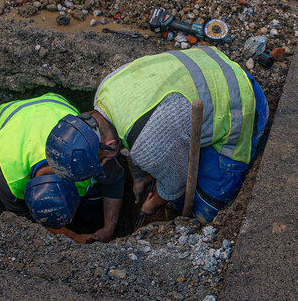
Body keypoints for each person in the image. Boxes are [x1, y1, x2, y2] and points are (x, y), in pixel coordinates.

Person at [45, 47, 269, 224]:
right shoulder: (105, 91)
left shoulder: (148, 145)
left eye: (102, 161)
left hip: (242, 102)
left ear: (109, 145)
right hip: (211, 67)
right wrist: (140, 177)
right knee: (174, 168)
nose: (105, 164)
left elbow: (177, 184)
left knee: (206, 209)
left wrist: (152, 205)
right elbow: (132, 135)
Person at [0, 92, 123, 243]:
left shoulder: (84, 153)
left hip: (54, 104)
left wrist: (108, 228)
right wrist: (74, 237)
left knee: (93, 196)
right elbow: (25, 221)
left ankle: (92, 218)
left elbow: (114, 181)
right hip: (13, 112)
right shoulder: (6, 175)